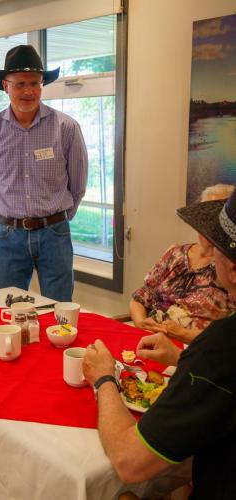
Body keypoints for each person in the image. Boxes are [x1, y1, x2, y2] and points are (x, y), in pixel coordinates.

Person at [83, 189, 236, 500]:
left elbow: (130, 462)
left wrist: (104, 378)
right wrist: (181, 358)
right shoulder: (215, 351)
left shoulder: (221, 343)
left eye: (216, 243)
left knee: (116, 492)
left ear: (231, 269)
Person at [0, 45, 88, 301]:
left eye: (35, 83)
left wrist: (56, 219)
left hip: (55, 233)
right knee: (9, 309)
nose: (28, 91)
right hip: (9, 234)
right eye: (20, 84)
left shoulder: (66, 128)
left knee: (60, 309)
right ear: (6, 86)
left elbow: (78, 185)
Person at [130, 184, 235, 343]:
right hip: (148, 339)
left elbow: (228, 339)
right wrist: (141, 324)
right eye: (205, 216)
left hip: (196, 351)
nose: (210, 224)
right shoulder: (175, 254)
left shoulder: (229, 269)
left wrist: (182, 334)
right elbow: (139, 298)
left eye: (217, 218)